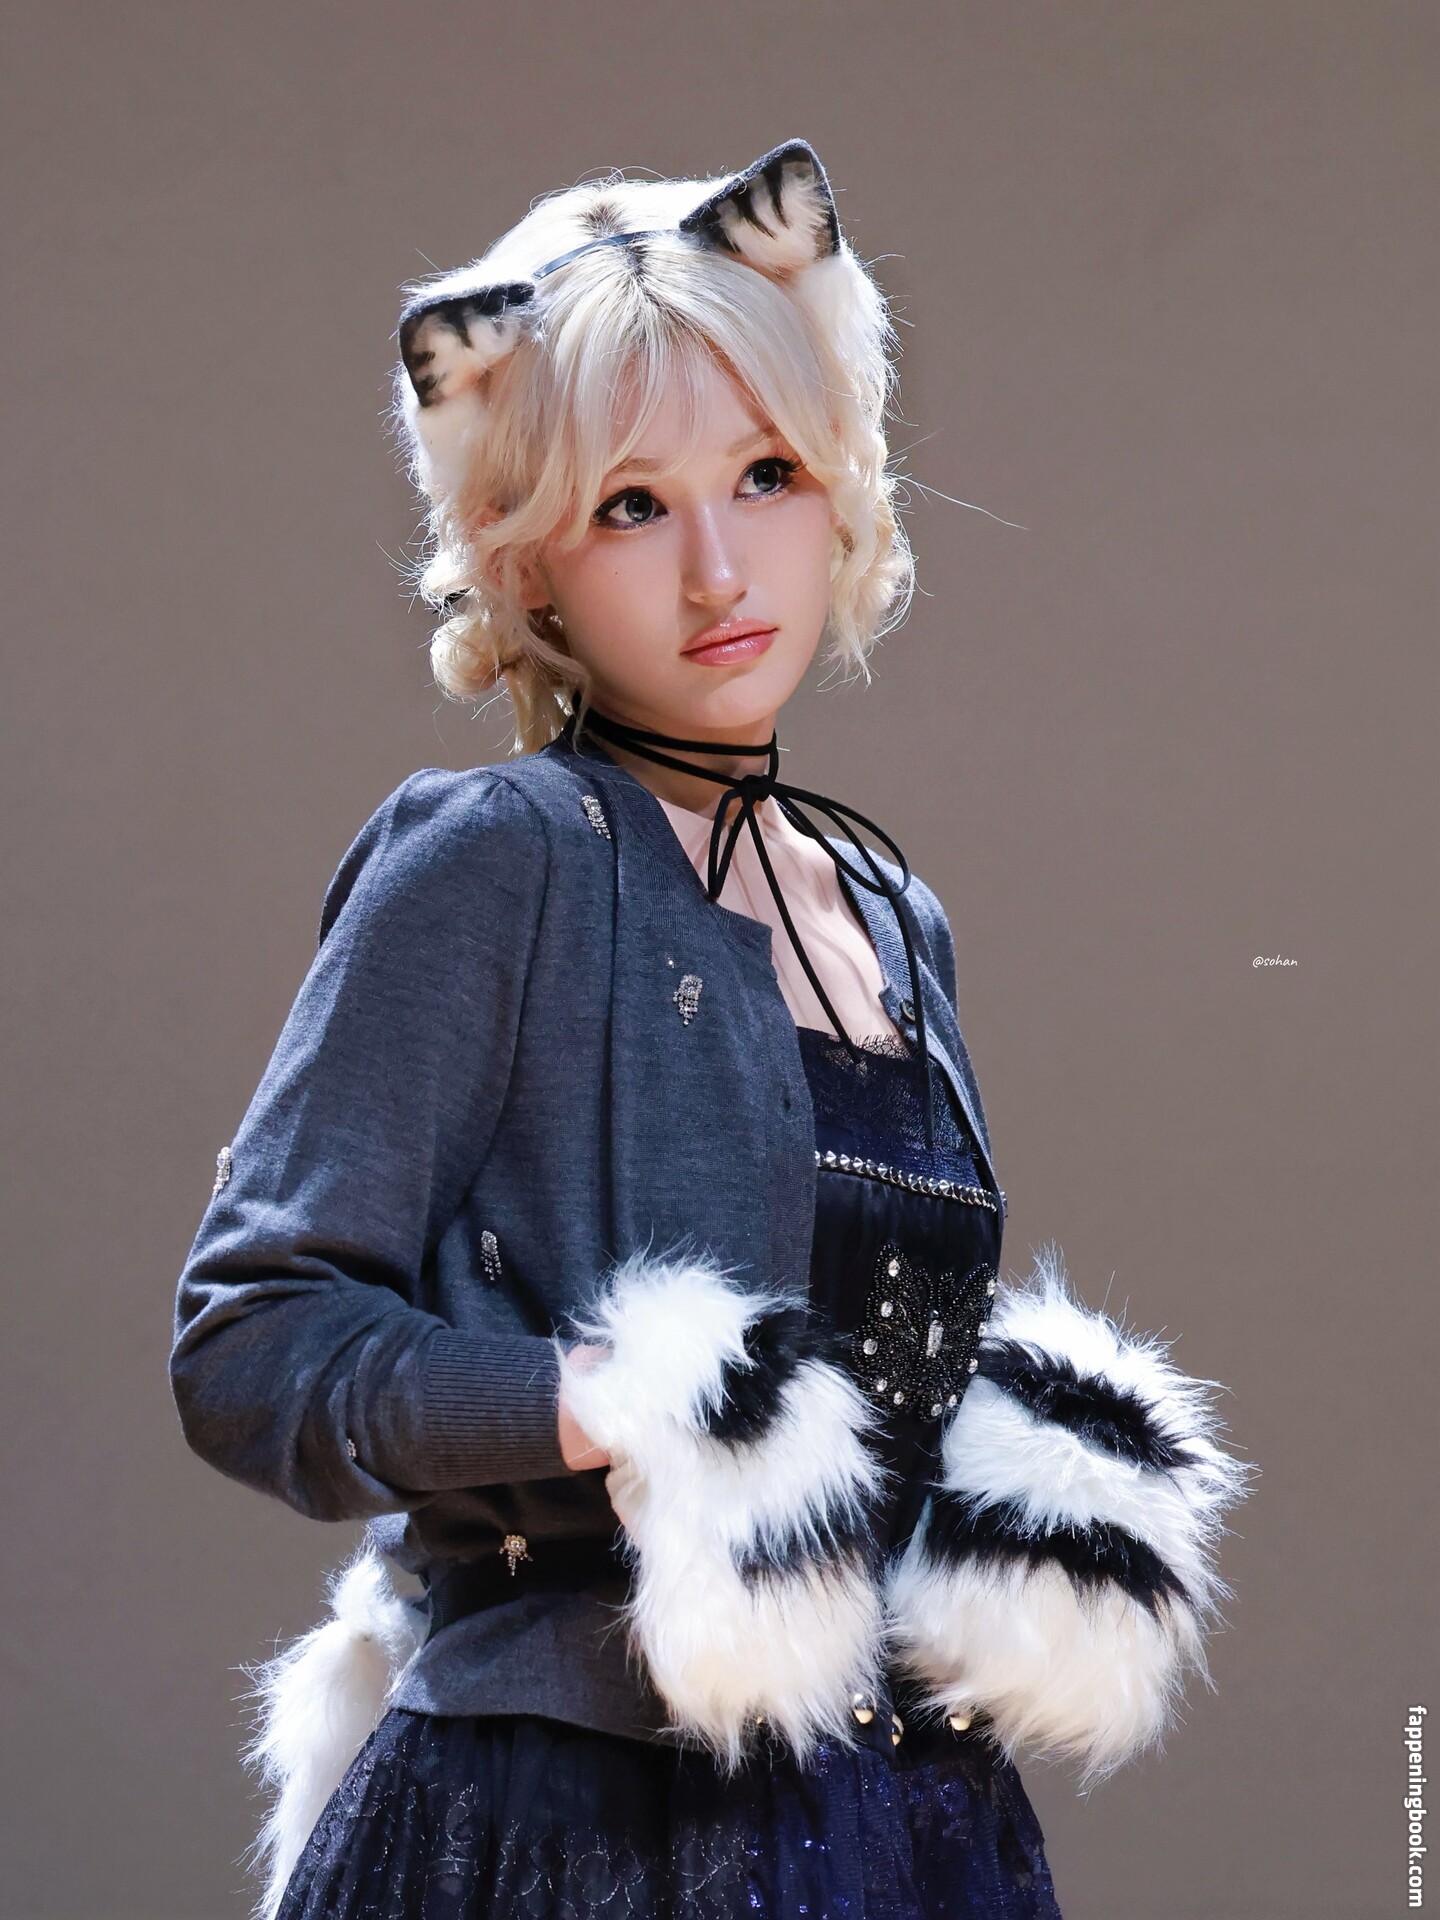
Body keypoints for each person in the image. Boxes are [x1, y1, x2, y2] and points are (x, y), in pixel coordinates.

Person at [169, 140, 1255, 1920]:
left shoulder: (888, 913)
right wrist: (600, 1399)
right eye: (629, 506)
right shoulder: (499, 855)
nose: (718, 567)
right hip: (573, 1821)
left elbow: (863, 1366)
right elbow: (250, 1346)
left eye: (765, 474)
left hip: (908, 1822)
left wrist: (1021, 1470)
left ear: (843, 490)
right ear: (525, 562)